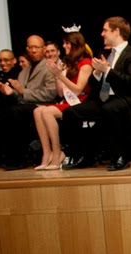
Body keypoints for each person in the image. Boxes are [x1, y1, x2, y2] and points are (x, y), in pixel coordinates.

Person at [61, 16, 131, 171]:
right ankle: (82, 155)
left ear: (116, 31)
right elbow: (94, 85)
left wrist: (107, 70)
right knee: (71, 112)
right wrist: (98, 73)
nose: (102, 34)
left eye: (105, 30)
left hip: (124, 99)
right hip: (102, 99)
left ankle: (120, 156)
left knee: (110, 109)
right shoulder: (105, 54)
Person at [0, 35, 57, 170]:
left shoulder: (50, 67)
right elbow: (19, 95)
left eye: (36, 47)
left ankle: (18, 158)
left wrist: (23, 91)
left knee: (14, 111)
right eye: (30, 47)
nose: (33, 50)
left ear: (44, 48)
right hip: (23, 105)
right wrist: (6, 90)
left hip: (42, 106)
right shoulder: (25, 71)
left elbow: (50, 94)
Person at [32, 29, 93, 170]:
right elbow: (60, 93)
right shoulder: (67, 62)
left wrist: (60, 75)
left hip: (80, 100)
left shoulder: (86, 63)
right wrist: (56, 76)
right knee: (37, 111)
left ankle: (58, 153)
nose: (64, 46)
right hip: (67, 100)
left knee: (47, 112)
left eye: (67, 43)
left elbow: (78, 89)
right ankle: (47, 153)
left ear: (75, 44)